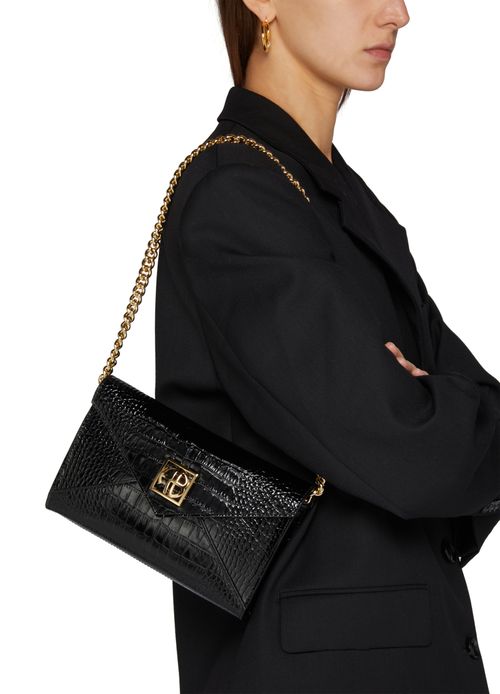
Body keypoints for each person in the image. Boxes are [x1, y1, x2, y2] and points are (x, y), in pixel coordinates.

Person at [154, 1, 500, 692]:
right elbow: (416, 454)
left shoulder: (339, 200)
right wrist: (427, 415)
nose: (398, 13)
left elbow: (460, 437)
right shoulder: (235, 197)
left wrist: (432, 414)